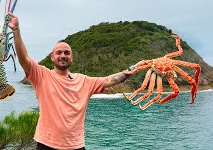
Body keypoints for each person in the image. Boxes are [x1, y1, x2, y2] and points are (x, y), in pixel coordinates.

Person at [8, 12, 144, 150]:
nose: (63, 56)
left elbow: (108, 80)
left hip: (76, 146)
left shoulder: (84, 81)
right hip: (46, 145)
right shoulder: (42, 75)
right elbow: (23, 58)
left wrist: (129, 71)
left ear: (71, 58)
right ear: (52, 57)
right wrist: (16, 30)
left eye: (67, 53)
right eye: (59, 53)